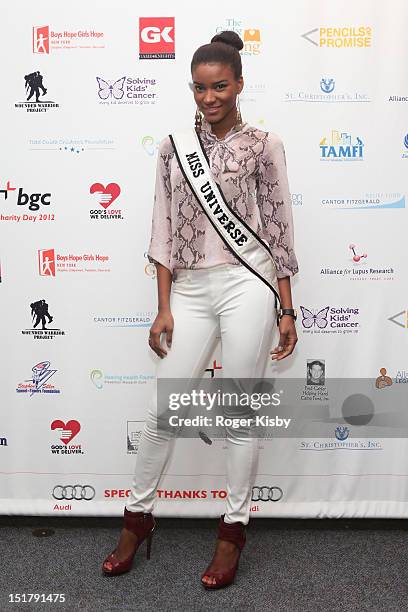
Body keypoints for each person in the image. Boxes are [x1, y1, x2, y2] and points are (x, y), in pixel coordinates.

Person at [102, 30, 299, 589]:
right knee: (162, 412)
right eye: (199, 88)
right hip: (189, 289)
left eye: (219, 87)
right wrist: (162, 306)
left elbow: (281, 225)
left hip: (248, 283)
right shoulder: (172, 147)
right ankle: (137, 521)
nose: (209, 97)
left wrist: (287, 307)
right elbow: (162, 228)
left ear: (239, 85)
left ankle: (232, 531)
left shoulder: (265, 144)